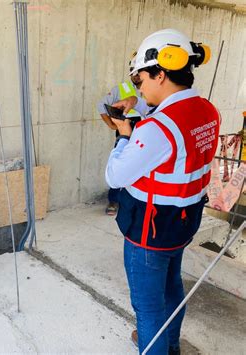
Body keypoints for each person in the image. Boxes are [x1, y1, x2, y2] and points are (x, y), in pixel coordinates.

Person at [105, 29, 217, 354]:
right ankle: (170, 345)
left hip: (149, 232)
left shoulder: (158, 127)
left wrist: (124, 135)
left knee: (148, 307)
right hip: (181, 221)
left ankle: (154, 344)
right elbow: (172, 139)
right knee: (171, 290)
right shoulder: (207, 110)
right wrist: (135, 106)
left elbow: (115, 175)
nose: (139, 87)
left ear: (161, 72)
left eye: (140, 80)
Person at [97, 74, 146, 215]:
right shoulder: (121, 88)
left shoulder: (152, 89)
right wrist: (111, 125)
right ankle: (113, 200)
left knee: (140, 166)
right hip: (127, 127)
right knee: (120, 163)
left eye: (138, 72)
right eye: (133, 72)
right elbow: (101, 104)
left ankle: (133, 200)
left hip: (145, 128)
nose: (135, 75)